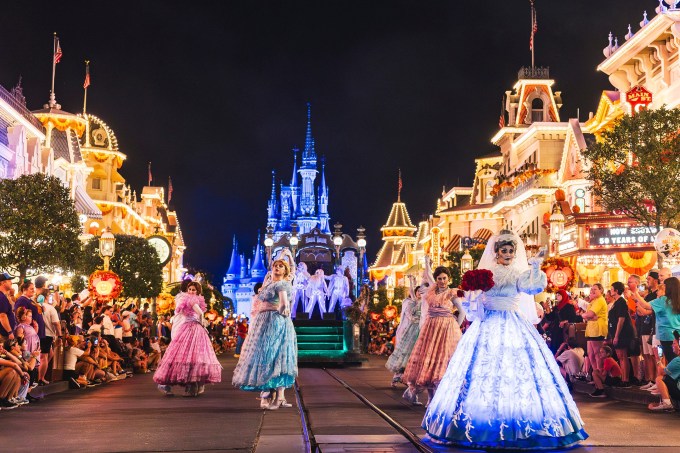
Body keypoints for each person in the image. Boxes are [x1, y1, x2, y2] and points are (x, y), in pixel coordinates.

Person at [422, 230, 587, 450]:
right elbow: (474, 298)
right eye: (504, 251)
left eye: (511, 251)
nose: (508, 254)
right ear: (496, 253)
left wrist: (536, 266)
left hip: (513, 321)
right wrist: (473, 296)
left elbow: (534, 287)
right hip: (488, 322)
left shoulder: (520, 273)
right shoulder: (486, 273)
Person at [232, 258, 297, 410]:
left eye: (281, 266)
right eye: (275, 266)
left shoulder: (281, 284)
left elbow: (283, 304)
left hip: (272, 320)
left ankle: (273, 396)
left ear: (285, 271)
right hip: (264, 320)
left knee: (272, 354)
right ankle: (274, 396)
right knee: (269, 355)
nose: (277, 268)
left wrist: (277, 313)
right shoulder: (269, 284)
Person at [402, 265, 465, 406]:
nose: (442, 281)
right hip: (431, 329)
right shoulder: (431, 293)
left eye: (444, 278)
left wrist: (456, 326)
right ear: (436, 280)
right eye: (439, 278)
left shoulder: (452, 293)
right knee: (428, 363)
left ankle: (438, 398)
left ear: (449, 279)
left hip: (446, 330)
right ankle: (430, 397)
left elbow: (462, 312)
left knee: (443, 363)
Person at [154, 281, 222, 396]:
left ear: (197, 291)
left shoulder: (190, 299)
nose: (191, 291)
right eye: (189, 289)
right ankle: (193, 386)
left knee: (185, 357)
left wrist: (200, 323)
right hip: (191, 328)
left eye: (193, 290)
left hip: (191, 329)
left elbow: (198, 313)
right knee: (192, 357)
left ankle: (185, 386)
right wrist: (201, 323)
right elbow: (200, 313)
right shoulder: (191, 299)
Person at [385, 278, 421, 387]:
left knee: (414, 356)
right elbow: (410, 316)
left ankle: (409, 377)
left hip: (420, 331)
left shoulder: (424, 303)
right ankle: (398, 376)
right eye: (418, 291)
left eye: (422, 292)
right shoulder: (410, 302)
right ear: (415, 293)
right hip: (410, 331)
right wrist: (411, 283)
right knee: (405, 354)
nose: (420, 294)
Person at [607, 281, 634, 387]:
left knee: (623, 355)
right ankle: (623, 378)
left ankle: (625, 379)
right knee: (620, 355)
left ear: (617, 291)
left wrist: (617, 335)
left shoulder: (621, 302)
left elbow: (621, 319)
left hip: (622, 333)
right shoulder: (616, 302)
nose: (610, 291)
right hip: (615, 332)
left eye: (612, 289)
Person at [648, 277, 680, 362]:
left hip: (666, 335)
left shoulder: (664, 300)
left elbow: (645, 306)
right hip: (676, 334)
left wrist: (636, 294)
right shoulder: (676, 299)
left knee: (671, 361)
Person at [648, 330, 680, 411]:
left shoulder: (677, 360)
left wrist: (657, 358)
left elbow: (661, 372)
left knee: (660, 379)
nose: (672, 345)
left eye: (674, 343)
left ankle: (667, 404)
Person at [581, 283, 608, 377]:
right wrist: (588, 316)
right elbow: (589, 315)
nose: (592, 291)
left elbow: (589, 314)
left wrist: (585, 316)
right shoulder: (594, 301)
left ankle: (600, 375)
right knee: (590, 354)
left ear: (601, 290)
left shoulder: (600, 301)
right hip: (591, 329)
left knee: (597, 353)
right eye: (591, 289)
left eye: (595, 289)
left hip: (597, 329)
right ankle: (595, 374)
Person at [0, 273, 16, 342]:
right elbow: (2, 316)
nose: (11, 282)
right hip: (5, 335)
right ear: (3, 283)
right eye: (9, 280)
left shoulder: (3, 296)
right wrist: (9, 332)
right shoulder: (1, 297)